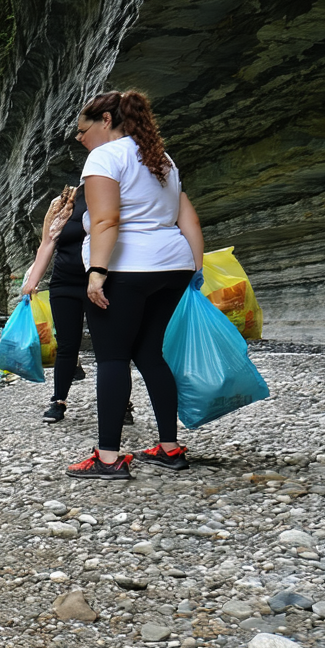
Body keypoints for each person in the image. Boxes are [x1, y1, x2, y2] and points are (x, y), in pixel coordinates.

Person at [65, 90, 204, 480]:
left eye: (83, 129)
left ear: (106, 120)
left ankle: (108, 457)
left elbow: (107, 220)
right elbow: (188, 219)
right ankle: (169, 448)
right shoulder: (163, 160)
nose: (80, 138)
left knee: (112, 357)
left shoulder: (105, 157)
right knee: (150, 354)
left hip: (126, 269)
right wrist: (195, 269)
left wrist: (97, 271)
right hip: (172, 267)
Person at [21, 186, 104, 423]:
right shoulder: (64, 202)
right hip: (64, 284)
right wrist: (32, 280)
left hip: (98, 283)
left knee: (107, 348)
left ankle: (122, 403)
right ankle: (58, 401)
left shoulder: (107, 196)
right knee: (67, 346)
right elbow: (47, 243)